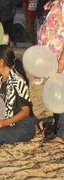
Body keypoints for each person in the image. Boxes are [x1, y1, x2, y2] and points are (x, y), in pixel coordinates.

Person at [0, 45, 36, 147]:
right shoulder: (0, 81)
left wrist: (5, 123)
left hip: (22, 125)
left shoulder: (17, 81)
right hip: (7, 123)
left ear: (0, 62)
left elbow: (26, 111)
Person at [37, 0, 64, 144]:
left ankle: (62, 133)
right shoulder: (53, 4)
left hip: (60, 60)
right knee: (56, 93)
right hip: (52, 61)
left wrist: (61, 62)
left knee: (61, 93)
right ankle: (59, 128)